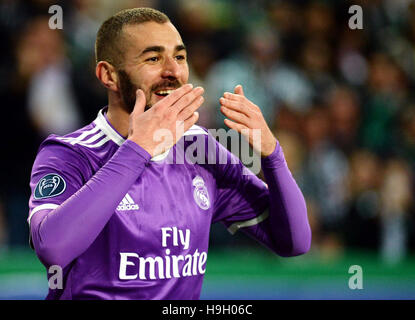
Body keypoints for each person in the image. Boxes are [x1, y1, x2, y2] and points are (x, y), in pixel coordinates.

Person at [27, 8, 311, 300]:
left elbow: (294, 242)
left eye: (179, 57)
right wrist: (138, 150)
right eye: (153, 58)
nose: (173, 72)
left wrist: (273, 156)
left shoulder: (199, 149)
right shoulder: (70, 153)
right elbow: (52, 249)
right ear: (108, 75)